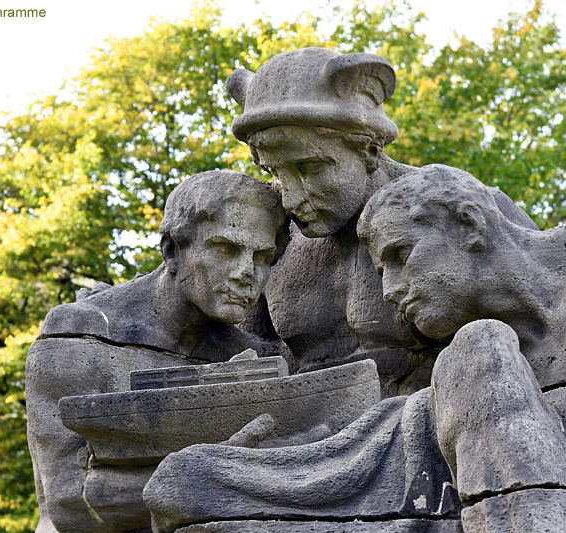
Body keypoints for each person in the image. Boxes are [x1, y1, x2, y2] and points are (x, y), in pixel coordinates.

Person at [358, 164, 566, 532]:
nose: (389, 289)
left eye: (400, 256)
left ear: (469, 225)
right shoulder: (482, 372)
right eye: (381, 271)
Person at [225, 47, 539, 396]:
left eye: (309, 168)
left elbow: (542, 332)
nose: (290, 198)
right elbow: (249, 352)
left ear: (370, 150)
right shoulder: (270, 241)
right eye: (274, 173)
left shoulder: (453, 212)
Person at [25, 170, 289, 533]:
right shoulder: (80, 336)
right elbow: (70, 501)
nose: (246, 272)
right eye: (226, 249)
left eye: (262, 257)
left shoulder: (251, 356)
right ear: (172, 251)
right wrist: (213, 471)